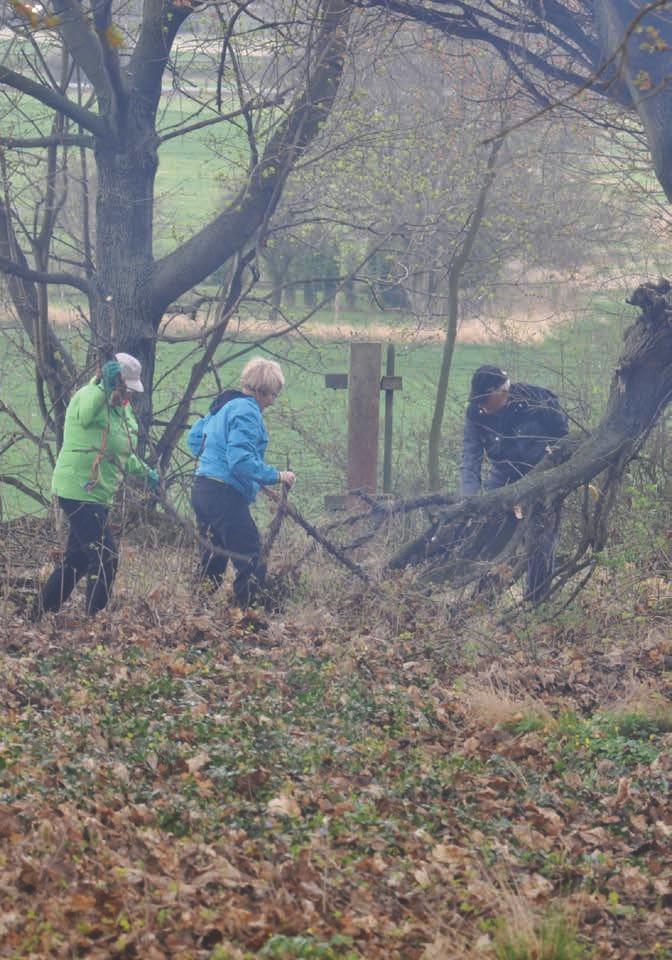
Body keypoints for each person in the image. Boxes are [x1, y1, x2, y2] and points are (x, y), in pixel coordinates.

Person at [36, 353, 159, 618]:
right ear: (115, 382)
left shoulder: (122, 410)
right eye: (125, 388)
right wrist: (103, 389)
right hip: (77, 489)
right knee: (106, 558)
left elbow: (123, 451)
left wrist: (146, 472)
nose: (130, 395)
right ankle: (95, 623)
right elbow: (85, 413)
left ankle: (39, 614)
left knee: (78, 560)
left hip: (98, 494)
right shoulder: (89, 396)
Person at [188, 357, 296, 608]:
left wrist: (217, 461)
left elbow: (195, 440)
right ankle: (248, 621)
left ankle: (194, 610)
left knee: (214, 557)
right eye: (273, 395)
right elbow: (239, 460)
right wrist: (277, 476)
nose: (272, 402)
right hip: (223, 495)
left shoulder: (224, 405)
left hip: (203, 490)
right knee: (251, 557)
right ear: (262, 391)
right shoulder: (248, 411)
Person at [459, 364, 569, 604]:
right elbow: (470, 456)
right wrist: (470, 498)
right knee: (492, 535)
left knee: (541, 540)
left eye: (486, 401)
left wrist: (553, 464)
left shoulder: (538, 401)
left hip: (542, 476)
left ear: (501, 392)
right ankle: (482, 601)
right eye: (478, 402)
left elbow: (564, 438)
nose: (482, 407)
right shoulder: (475, 413)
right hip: (503, 477)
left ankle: (536, 603)